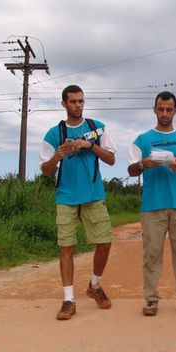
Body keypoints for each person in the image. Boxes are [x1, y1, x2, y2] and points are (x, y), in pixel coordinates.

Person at [39, 84, 117, 320]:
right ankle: (68, 300)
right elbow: (45, 170)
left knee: (104, 243)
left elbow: (112, 159)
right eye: (73, 101)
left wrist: (90, 145)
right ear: (64, 104)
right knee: (66, 248)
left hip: (94, 195)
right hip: (66, 197)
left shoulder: (97, 128)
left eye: (81, 101)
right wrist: (59, 155)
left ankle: (94, 285)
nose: (78, 105)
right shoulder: (54, 133)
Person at [127, 91, 176, 316]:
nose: (164, 113)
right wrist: (144, 164)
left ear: (175, 111)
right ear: (154, 109)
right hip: (152, 205)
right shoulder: (142, 140)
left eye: (168, 109)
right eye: (160, 109)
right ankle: (151, 299)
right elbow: (132, 170)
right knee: (152, 254)